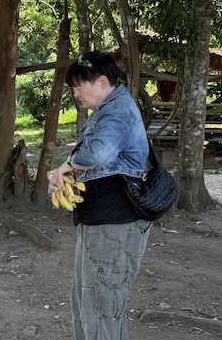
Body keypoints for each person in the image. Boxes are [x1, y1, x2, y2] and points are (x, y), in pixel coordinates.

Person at [48, 51, 152, 340]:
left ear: (102, 81)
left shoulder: (117, 111)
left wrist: (66, 166)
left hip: (114, 222)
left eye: (79, 88)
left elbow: (98, 152)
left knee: (104, 304)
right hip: (98, 220)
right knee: (85, 297)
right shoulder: (106, 111)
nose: (76, 95)